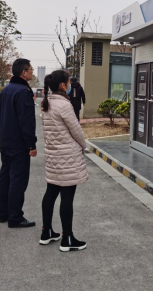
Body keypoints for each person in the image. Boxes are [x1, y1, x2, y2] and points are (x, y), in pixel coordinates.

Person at [41, 70, 88, 251]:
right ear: (63, 85)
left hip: (53, 155)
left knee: (51, 192)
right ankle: (67, 238)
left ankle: (46, 232)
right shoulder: (64, 105)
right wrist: (83, 146)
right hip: (68, 156)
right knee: (67, 197)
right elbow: (76, 131)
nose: (69, 86)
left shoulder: (47, 103)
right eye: (68, 83)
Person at [0, 59, 37, 228]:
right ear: (24, 72)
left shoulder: (6, 90)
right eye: (31, 69)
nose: (32, 72)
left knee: (5, 177)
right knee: (18, 180)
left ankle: (3, 213)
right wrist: (31, 145)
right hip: (18, 144)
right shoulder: (23, 92)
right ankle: (15, 217)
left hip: (6, 141)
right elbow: (26, 123)